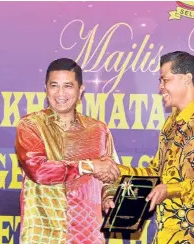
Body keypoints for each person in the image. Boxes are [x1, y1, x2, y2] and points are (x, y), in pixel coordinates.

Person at [103, 51, 194, 244]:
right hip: (168, 234)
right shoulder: (170, 124)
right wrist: (115, 170)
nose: (160, 87)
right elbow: (155, 173)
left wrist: (171, 190)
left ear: (186, 79)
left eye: (165, 80)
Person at [15, 58, 121, 244]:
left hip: (88, 233)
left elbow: (112, 174)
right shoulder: (31, 126)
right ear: (46, 89)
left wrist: (109, 196)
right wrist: (89, 166)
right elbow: (38, 170)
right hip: (45, 232)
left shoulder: (98, 130)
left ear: (80, 90)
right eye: (54, 86)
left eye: (68, 86)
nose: (60, 93)